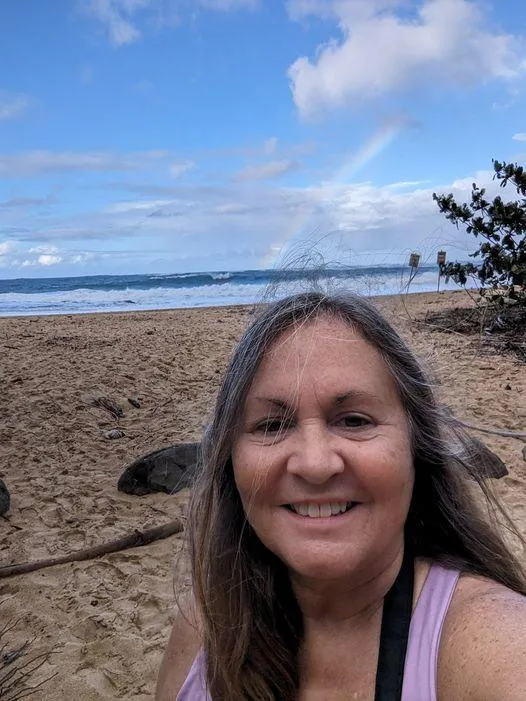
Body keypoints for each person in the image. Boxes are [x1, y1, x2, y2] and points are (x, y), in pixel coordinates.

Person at [156, 291, 526, 701]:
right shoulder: (206, 627)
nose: (315, 464)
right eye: (272, 425)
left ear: (416, 448)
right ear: (230, 460)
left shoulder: (492, 643)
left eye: (353, 420)